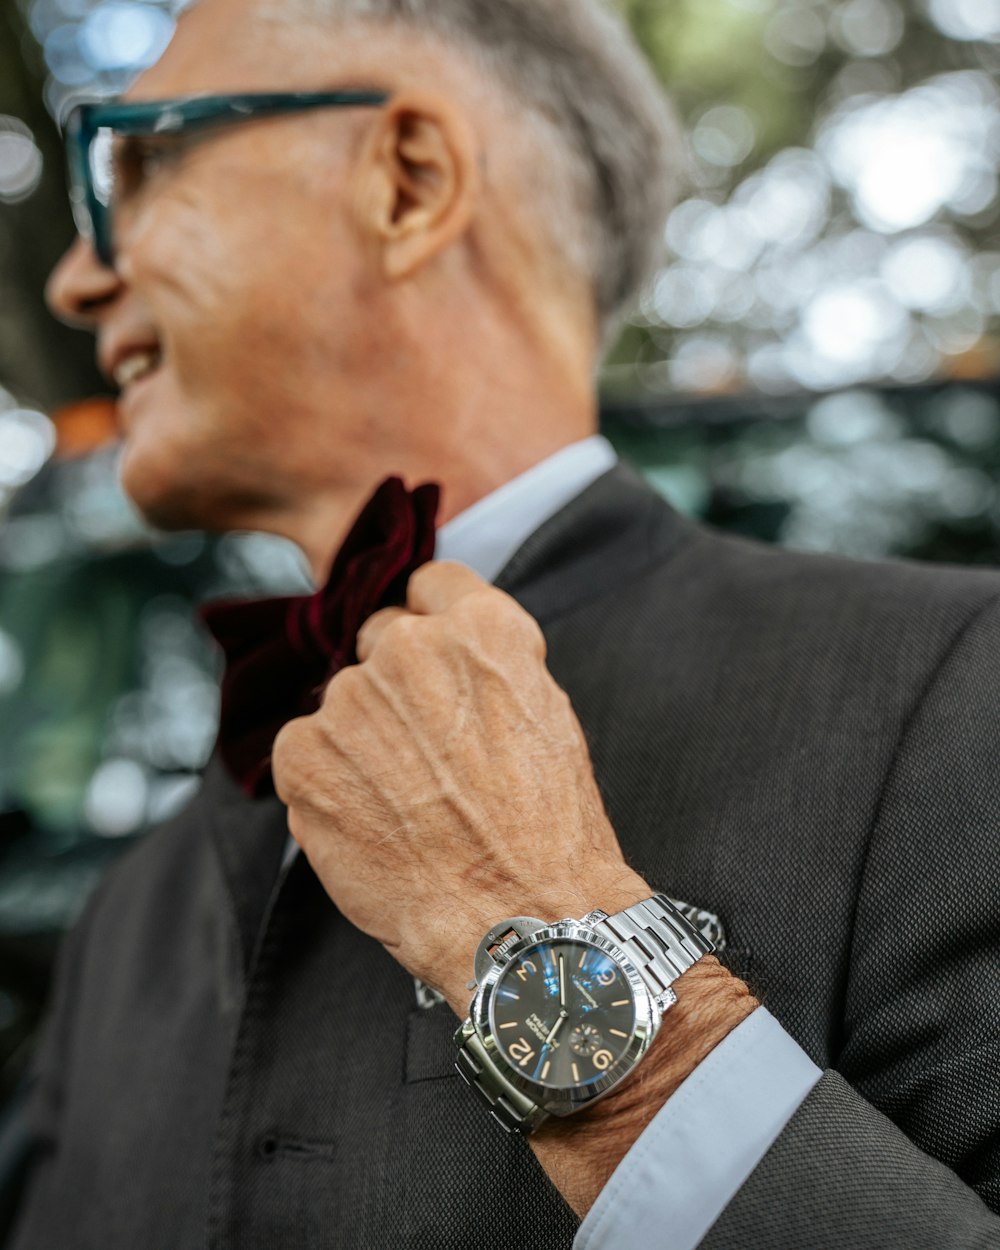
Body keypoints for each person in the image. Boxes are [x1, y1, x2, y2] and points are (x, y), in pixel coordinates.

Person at [6, 0, 1000, 1245]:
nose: (75, 274)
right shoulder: (123, 916)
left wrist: (544, 941)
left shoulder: (962, 692)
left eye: (142, 159)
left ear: (408, 180)